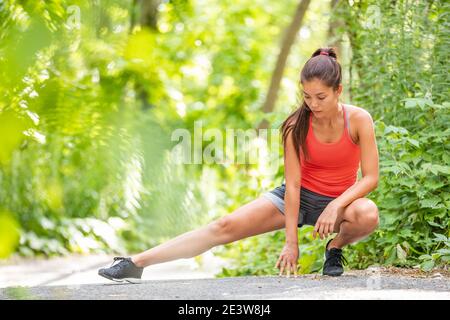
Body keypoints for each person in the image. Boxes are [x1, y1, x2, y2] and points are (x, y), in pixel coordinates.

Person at [98, 47, 379, 283]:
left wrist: (335, 205)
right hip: (297, 197)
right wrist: (290, 242)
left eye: (321, 97)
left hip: (339, 201)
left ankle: (335, 247)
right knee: (224, 226)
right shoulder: (296, 125)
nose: (313, 104)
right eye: (306, 96)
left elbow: (370, 178)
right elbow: (293, 186)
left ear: (338, 90)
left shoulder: (358, 120)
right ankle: (136, 263)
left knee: (367, 213)